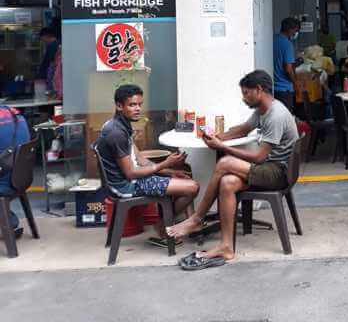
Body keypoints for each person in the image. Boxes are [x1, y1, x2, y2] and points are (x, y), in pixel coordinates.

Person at [166, 70, 299, 269]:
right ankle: (226, 247)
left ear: (259, 90)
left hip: (278, 173)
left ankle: (197, 218)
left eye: (246, 93)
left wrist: (222, 148)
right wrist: (218, 138)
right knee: (227, 183)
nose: (243, 97)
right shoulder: (262, 110)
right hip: (268, 167)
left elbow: (259, 157)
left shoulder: (276, 115)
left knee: (225, 162)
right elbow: (242, 130)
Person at [95, 85, 199, 242]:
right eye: (132, 105)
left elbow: (140, 159)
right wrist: (164, 164)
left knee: (184, 175)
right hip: (128, 185)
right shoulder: (116, 133)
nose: (137, 109)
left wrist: (169, 171)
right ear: (119, 106)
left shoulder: (120, 124)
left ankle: (183, 225)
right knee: (192, 187)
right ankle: (163, 224)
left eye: (139, 104)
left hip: (132, 179)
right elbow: (130, 173)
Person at [0, 106, 31, 239]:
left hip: (5, 183)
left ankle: (9, 222)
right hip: (22, 179)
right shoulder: (18, 116)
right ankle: (9, 221)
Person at [273, 17, 300, 113]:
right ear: (290, 29)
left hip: (272, 88)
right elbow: (288, 69)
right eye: (295, 31)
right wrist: (295, 83)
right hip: (284, 89)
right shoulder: (287, 44)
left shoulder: (272, 39)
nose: (295, 33)